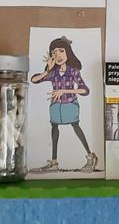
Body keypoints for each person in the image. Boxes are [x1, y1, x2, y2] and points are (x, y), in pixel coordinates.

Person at [31, 36, 98, 173]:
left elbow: (85, 90)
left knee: (76, 126)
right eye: (54, 52)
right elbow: (34, 80)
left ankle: (91, 157)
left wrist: (64, 91)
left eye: (61, 51)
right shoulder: (53, 73)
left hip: (70, 104)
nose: (58, 55)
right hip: (56, 106)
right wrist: (47, 70)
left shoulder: (73, 71)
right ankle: (54, 162)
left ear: (68, 52)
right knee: (54, 128)